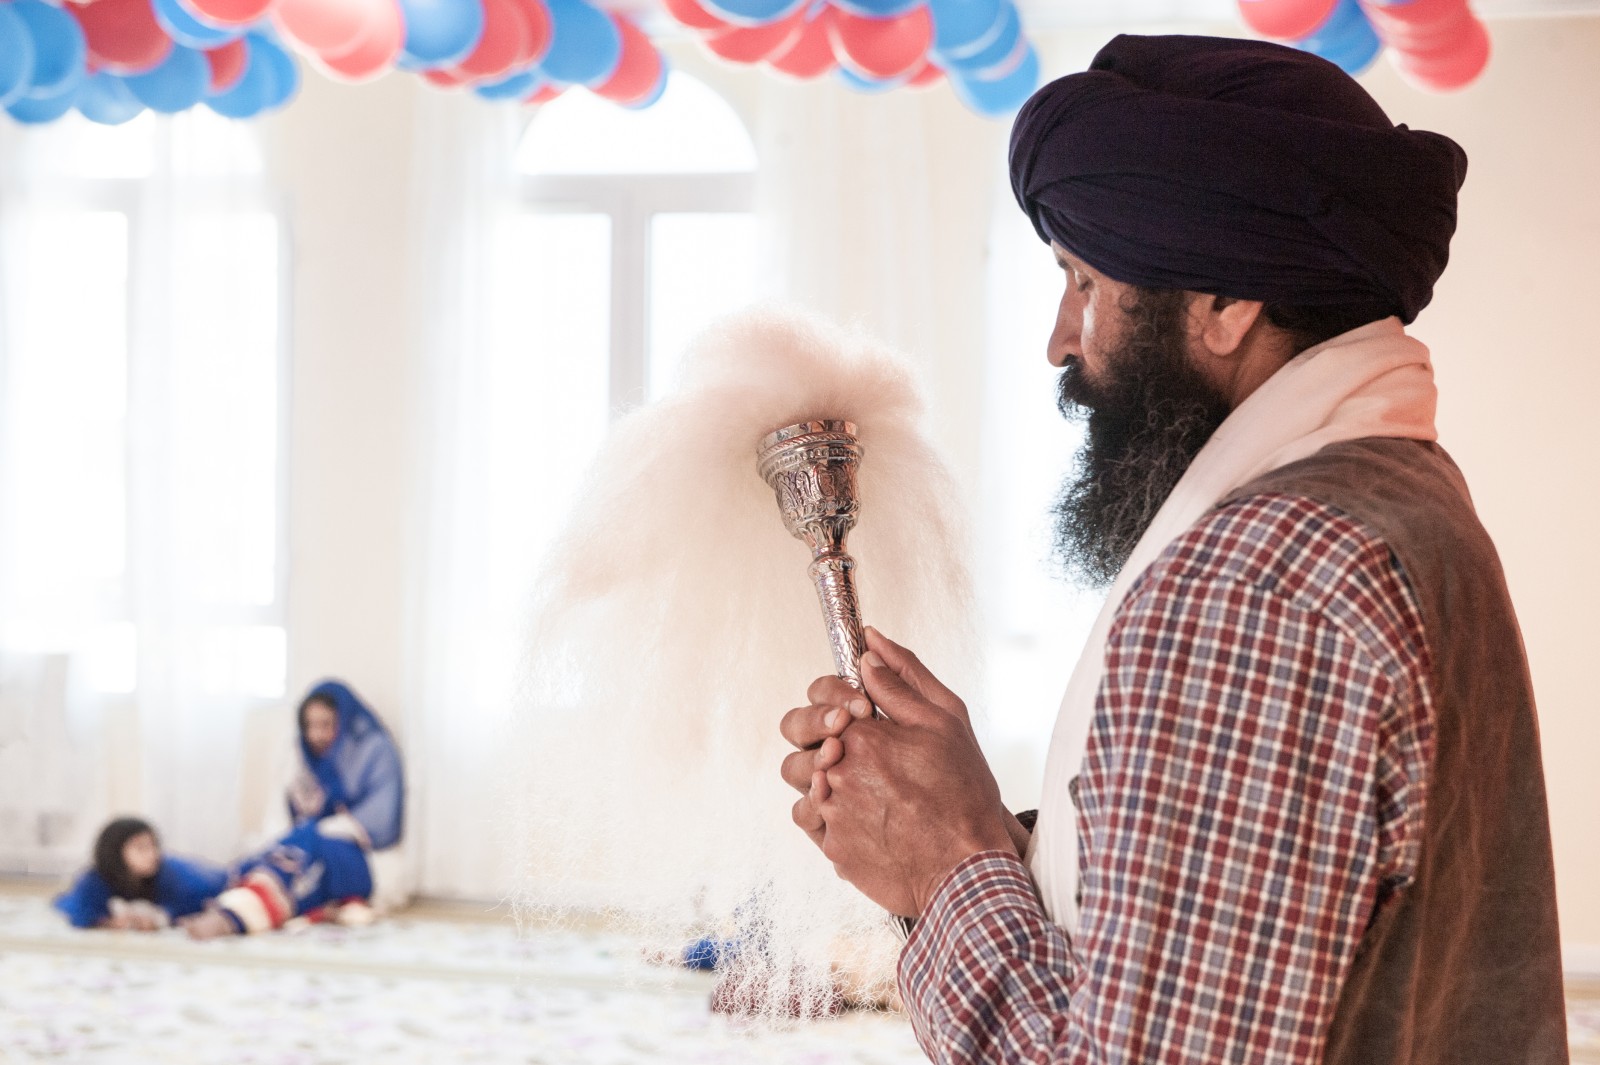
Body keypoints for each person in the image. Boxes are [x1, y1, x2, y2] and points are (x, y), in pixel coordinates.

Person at [779, 34, 1568, 1065]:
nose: (1060, 339)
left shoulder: (1257, 581)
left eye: (1083, 280)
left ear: (1225, 303)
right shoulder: (1397, 498)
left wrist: (943, 866)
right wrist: (975, 824)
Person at [184, 679, 404, 938]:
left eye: (326, 725)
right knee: (265, 857)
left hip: (348, 851)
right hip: (299, 845)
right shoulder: (297, 753)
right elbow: (280, 815)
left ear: (344, 721)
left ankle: (235, 916)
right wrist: (297, 835)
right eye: (310, 726)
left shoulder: (373, 751)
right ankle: (217, 903)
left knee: (303, 861)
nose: (316, 735)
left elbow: (382, 821)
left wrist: (322, 829)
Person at [54, 817, 227, 930]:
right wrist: (108, 921)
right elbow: (77, 910)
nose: (153, 854)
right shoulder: (95, 878)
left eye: (153, 846)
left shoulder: (173, 873)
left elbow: (205, 897)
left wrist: (162, 918)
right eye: (141, 848)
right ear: (114, 852)